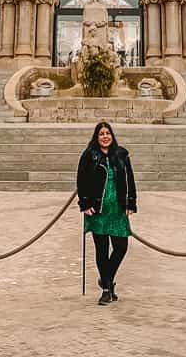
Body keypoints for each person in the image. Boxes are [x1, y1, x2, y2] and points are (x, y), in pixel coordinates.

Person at [77, 121, 137, 305]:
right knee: (102, 250)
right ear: (97, 137)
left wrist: (130, 203)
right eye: (101, 133)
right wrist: (85, 203)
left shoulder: (121, 154)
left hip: (117, 209)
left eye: (107, 133)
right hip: (98, 210)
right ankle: (106, 290)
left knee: (121, 247)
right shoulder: (90, 155)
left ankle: (106, 279)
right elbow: (81, 180)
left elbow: (130, 179)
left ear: (112, 135)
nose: (105, 136)